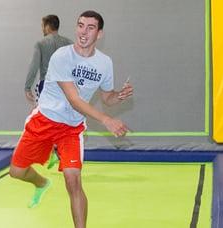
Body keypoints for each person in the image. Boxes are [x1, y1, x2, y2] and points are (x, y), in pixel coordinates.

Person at [9, 11, 133, 228]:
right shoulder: (62, 56)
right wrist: (106, 120)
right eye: (80, 25)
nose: (83, 32)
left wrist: (118, 96)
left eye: (90, 27)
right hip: (45, 120)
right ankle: (41, 182)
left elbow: (107, 98)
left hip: (71, 129)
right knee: (16, 172)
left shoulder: (104, 63)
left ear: (100, 33)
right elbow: (74, 99)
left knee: (73, 180)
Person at [24, 14, 73, 169]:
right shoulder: (68, 44)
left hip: (47, 85)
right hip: (65, 86)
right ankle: (64, 156)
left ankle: (50, 151)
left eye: (42, 26)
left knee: (44, 119)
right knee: (64, 120)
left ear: (47, 26)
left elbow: (34, 65)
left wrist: (27, 86)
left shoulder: (41, 43)